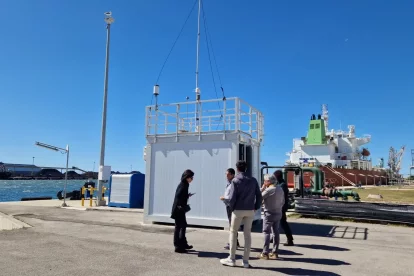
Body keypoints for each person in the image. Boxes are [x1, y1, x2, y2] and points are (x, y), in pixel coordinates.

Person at [220, 161, 262, 268]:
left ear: (237, 169)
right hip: (250, 210)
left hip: (238, 209)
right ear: (246, 168)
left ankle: (232, 259)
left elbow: (233, 197)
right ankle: (245, 261)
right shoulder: (253, 180)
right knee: (247, 235)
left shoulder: (235, 180)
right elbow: (259, 195)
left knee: (233, 232)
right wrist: (256, 207)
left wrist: (232, 207)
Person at [259, 174, 285, 260]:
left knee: (266, 232)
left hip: (269, 213)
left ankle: (265, 252)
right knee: (276, 232)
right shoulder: (280, 189)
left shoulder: (269, 190)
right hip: (278, 212)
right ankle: (275, 252)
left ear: (269, 181)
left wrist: (262, 189)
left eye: (265, 180)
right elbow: (283, 201)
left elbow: (259, 198)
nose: (264, 182)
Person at [171, 169, 195, 253]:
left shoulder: (185, 184)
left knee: (183, 225)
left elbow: (181, 196)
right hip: (178, 209)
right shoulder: (183, 185)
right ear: (187, 177)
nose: (192, 179)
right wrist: (180, 206)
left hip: (180, 208)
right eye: (191, 177)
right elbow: (178, 196)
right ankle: (178, 246)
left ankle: (183, 243)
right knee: (179, 227)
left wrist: (187, 196)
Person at [220, 168, 240, 249]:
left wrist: (224, 198)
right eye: (226, 174)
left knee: (232, 225)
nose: (226, 176)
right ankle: (235, 242)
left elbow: (232, 196)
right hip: (228, 206)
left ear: (232, 175)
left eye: (227, 174)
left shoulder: (233, 183)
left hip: (231, 206)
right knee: (232, 224)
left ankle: (233, 243)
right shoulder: (229, 183)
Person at [273, 170, 294, 246]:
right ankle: (274, 237)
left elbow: (278, 195)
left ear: (277, 176)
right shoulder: (280, 183)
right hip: (279, 206)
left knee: (283, 223)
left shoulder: (282, 185)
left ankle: (290, 240)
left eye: (274, 176)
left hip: (281, 207)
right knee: (275, 222)